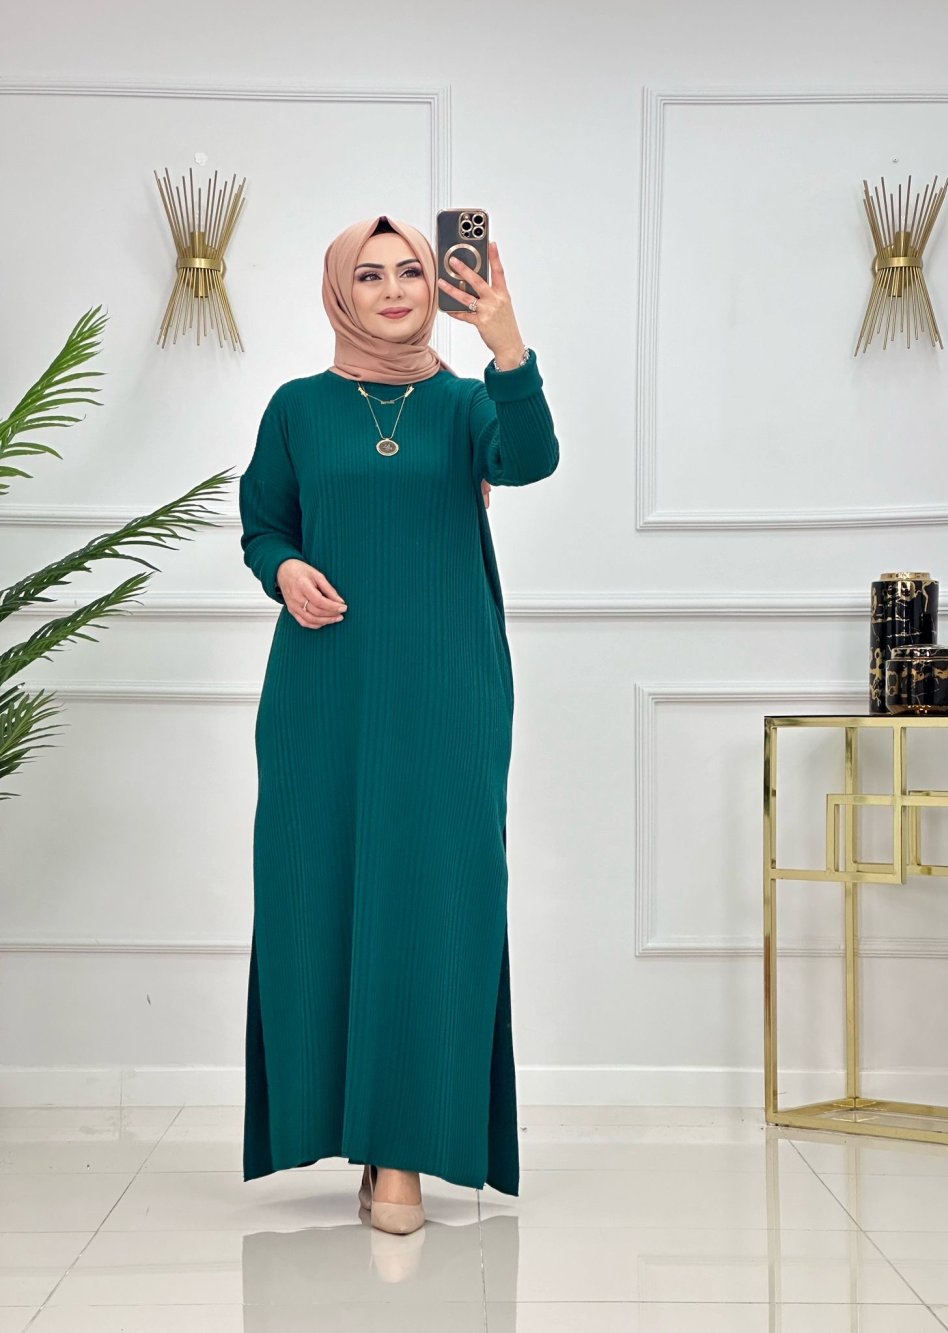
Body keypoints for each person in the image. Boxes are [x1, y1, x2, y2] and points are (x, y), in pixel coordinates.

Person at [238, 213, 559, 1235]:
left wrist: (505, 341)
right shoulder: (297, 407)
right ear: (341, 291)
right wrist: (285, 570)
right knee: (320, 893)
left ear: (436, 287)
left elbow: (531, 459)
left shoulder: (467, 405)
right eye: (369, 274)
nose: (391, 290)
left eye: (410, 271)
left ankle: (404, 1152)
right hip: (323, 687)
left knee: (432, 898)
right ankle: (347, 1128)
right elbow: (264, 522)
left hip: (447, 687)